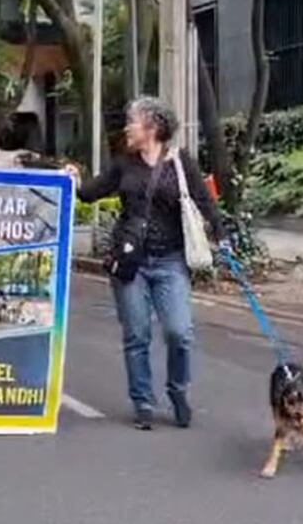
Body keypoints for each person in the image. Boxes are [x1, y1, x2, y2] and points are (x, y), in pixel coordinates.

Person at [71, 97, 226, 431]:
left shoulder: (180, 162)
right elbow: (89, 193)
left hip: (170, 260)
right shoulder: (123, 164)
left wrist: (222, 233)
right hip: (130, 262)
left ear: (153, 127)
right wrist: (72, 178)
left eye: (133, 122)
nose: (127, 127)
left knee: (179, 333)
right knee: (136, 335)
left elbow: (203, 200)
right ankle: (142, 401)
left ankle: (178, 389)